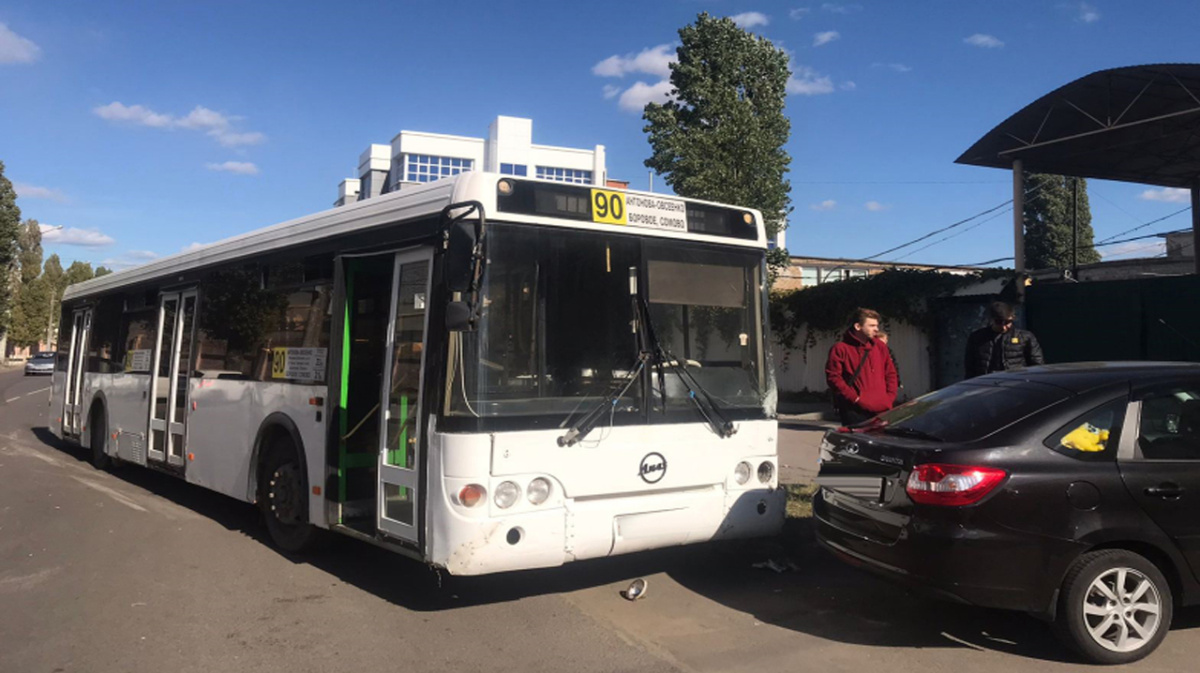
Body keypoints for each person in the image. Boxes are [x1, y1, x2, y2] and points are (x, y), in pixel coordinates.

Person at [825, 308, 899, 427]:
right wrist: (855, 399)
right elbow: (834, 378)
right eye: (871, 325)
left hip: (882, 409)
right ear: (858, 326)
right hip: (855, 411)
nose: (876, 329)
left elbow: (890, 373)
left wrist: (889, 398)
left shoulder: (880, 346)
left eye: (877, 325)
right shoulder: (840, 348)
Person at [964, 301, 1045, 379]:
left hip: (1015, 383)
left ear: (1013, 318)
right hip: (987, 383)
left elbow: (1037, 364)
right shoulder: (977, 337)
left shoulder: (1025, 337)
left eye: (1007, 322)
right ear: (991, 320)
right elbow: (970, 367)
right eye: (999, 322)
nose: (1004, 327)